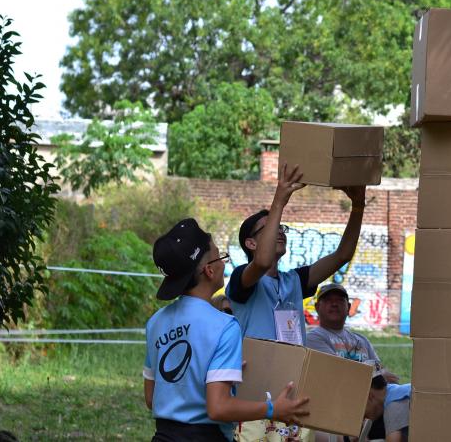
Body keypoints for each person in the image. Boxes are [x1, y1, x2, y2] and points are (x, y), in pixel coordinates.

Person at [227, 163, 367, 441]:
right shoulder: (242, 279)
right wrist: (280, 198)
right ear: (251, 244)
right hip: (255, 397)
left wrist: (358, 207)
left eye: (281, 227)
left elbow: (342, 255)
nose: (279, 231)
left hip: (292, 393)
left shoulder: (294, 281)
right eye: (269, 228)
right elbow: (263, 262)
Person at [143, 218, 310, 442]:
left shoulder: (156, 322)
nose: (225, 263)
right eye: (221, 256)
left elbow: (151, 397)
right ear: (209, 270)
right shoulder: (224, 325)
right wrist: (273, 409)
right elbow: (218, 408)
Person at [306, 283, 405, 442]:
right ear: (317, 307)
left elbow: (383, 376)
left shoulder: (361, 339)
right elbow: (340, 376)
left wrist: (372, 376)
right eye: (328, 300)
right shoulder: (313, 338)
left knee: (404, 398)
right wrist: (373, 375)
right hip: (341, 408)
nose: (334, 303)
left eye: (340, 300)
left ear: (349, 307)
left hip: (374, 407)